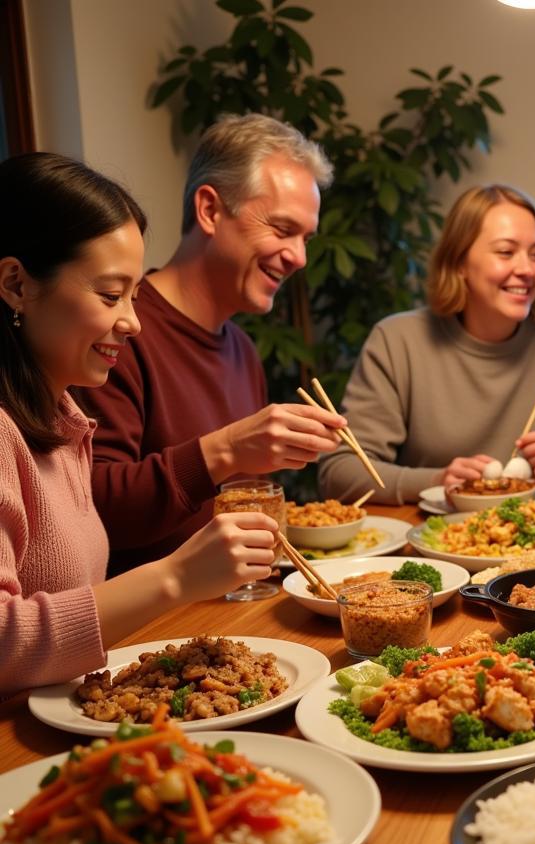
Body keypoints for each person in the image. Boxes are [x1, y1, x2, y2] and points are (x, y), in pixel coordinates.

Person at [0, 152, 280, 694]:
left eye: (132, 294)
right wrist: (174, 577)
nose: (131, 321)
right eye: (110, 295)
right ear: (16, 283)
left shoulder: (65, 421)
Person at [73, 114, 347, 576]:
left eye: (306, 239)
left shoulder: (241, 348)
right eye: (282, 230)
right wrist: (224, 450)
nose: (300, 257)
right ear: (209, 210)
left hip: (238, 616)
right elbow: (94, 511)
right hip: (153, 633)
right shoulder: (120, 332)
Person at [318, 183, 535, 504]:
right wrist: (437, 481)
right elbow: (339, 472)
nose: (527, 269)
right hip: (436, 554)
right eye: (506, 252)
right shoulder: (397, 341)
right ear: (459, 264)